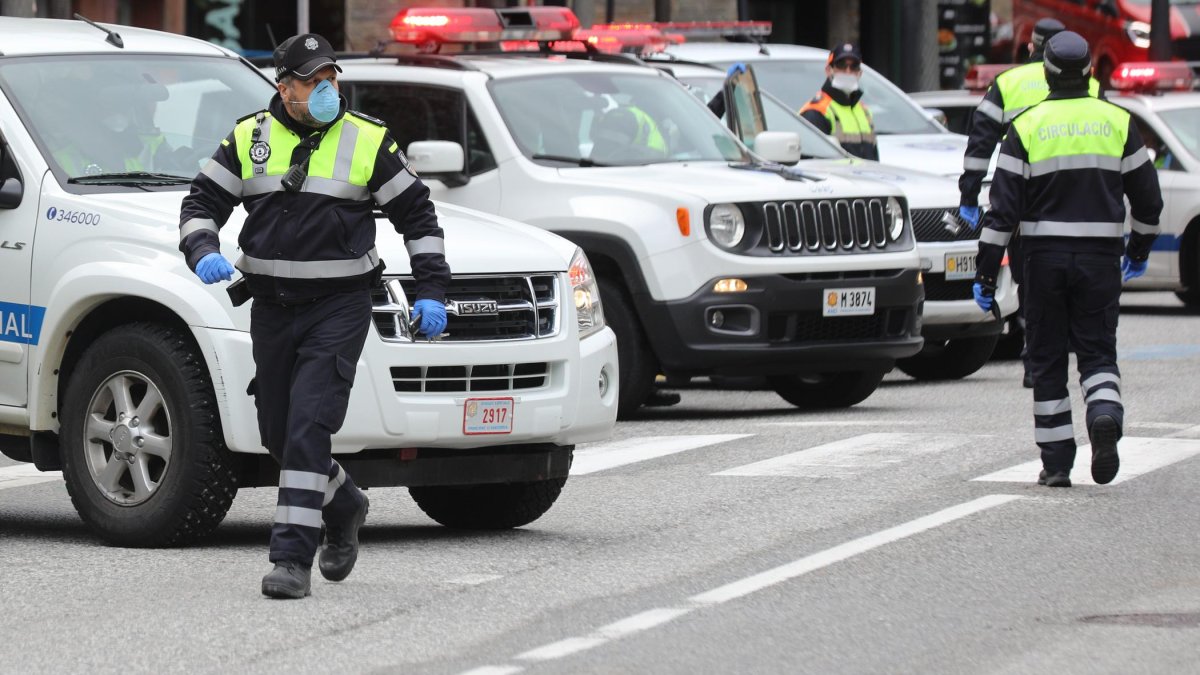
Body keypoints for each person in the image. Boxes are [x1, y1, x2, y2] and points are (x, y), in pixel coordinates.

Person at [177, 33, 450, 598]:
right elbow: (201, 201)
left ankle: (291, 560)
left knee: (307, 429)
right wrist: (202, 249)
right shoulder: (251, 136)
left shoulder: (368, 140)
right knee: (279, 435)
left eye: (332, 77)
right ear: (285, 87)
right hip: (272, 308)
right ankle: (344, 501)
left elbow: (419, 218)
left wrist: (432, 291)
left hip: (339, 308)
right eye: (313, 80)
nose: (327, 88)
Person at [972, 31, 1162, 488]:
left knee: (1048, 360)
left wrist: (984, 271)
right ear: (1090, 72)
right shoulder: (1118, 122)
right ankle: (1103, 414)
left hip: (1043, 261)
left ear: (1047, 73)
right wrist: (1137, 250)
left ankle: (1057, 464)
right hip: (1099, 261)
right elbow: (1149, 202)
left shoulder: (1028, 127)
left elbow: (1002, 213)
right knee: (1097, 353)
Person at [958, 18, 1100, 388]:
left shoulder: (1008, 84)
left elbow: (980, 146)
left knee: (1032, 284)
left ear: (1030, 48)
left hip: (1025, 198)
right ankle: (1094, 370)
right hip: (1085, 201)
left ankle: (1036, 361)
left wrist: (970, 194)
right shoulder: (1095, 86)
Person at [799, 42, 878, 160]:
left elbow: (874, 158)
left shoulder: (864, 111)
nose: (847, 71)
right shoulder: (816, 112)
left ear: (860, 73)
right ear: (828, 70)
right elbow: (812, 164)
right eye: (841, 65)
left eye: (854, 66)